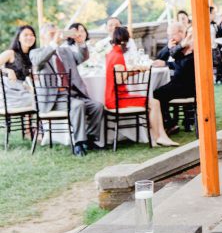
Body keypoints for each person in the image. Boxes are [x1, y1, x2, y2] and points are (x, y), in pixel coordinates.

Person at [29, 23, 105, 155]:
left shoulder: (65, 51)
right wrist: (53, 44)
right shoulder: (36, 53)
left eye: (56, 33)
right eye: (51, 34)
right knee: (78, 105)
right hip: (54, 100)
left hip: (73, 95)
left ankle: (90, 139)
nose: (55, 36)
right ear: (43, 36)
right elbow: (37, 62)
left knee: (97, 106)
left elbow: (82, 58)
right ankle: (79, 143)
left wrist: (81, 43)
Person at [105, 27, 177, 147]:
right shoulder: (118, 56)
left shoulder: (111, 53)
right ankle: (159, 137)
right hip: (118, 99)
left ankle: (158, 136)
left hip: (114, 97)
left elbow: (118, 76)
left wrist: (134, 71)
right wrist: (135, 70)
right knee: (154, 103)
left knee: (154, 103)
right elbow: (119, 80)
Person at [151, 27, 196, 134]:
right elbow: (160, 58)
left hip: (187, 86)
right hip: (177, 82)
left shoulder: (195, 49)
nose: (188, 36)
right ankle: (169, 123)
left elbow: (183, 65)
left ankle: (169, 124)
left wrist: (167, 64)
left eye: (190, 34)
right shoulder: (182, 48)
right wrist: (168, 47)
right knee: (159, 92)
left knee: (157, 94)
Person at [0, 26, 40, 135]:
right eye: (25, 35)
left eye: (32, 35)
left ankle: (30, 130)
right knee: (37, 100)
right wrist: (7, 70)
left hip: (20, 91)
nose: (29, 37)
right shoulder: (10, 53)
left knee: (39, 96)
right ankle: (33, 131)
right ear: (18, 38)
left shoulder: (32, 56)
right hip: (8, 95)